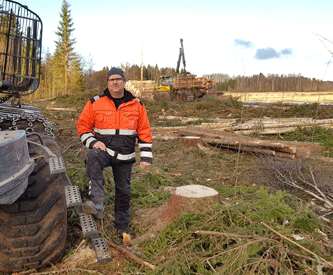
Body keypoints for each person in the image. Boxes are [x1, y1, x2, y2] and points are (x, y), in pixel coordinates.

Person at [77, 67, 153, 238]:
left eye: (119, 79)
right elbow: (83, 126)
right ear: (107, 83)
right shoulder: (95, 102)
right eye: (112, 80)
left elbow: (144, 131)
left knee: (124, 192)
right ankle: (96, 203)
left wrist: (146, 157)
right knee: (92, 157)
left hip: (126, 156)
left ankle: (122, 228)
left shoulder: (137, 104)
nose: (115, 82)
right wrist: (94, 142)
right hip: (105, 151)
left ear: (124, 82)